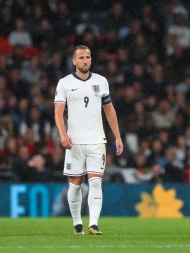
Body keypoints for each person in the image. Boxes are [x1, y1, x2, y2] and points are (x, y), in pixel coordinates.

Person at [54, 45, 124, 235]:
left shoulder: (101, 82)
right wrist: (63, 134)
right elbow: (58, 113)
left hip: (96, 141)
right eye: (81, 58)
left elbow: (109, 110)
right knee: (75, 185)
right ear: (74, 61)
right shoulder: (65, 83)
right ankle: (77, 223)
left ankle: (93, 224)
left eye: (88, 57)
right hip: (74, 142)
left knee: (95, 183)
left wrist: (117, 136)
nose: (85, 61)